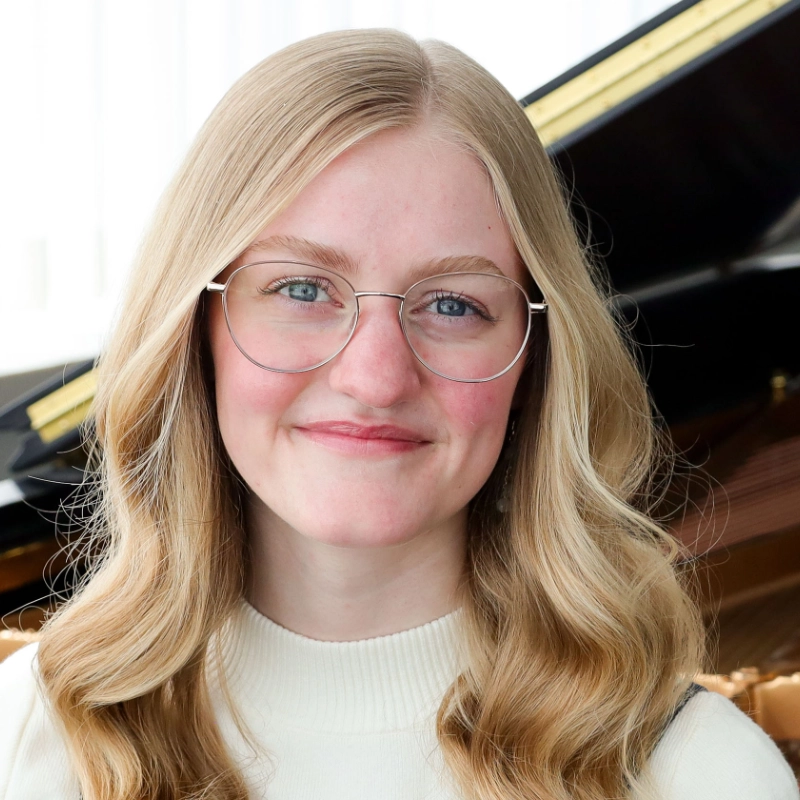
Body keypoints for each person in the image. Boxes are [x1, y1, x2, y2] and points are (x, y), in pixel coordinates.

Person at [0, 28, 796, 800]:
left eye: (453, 304)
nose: (377, 378)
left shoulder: (702, 776)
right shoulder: (24, 734)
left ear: (535, 360)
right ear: (194, 333)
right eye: (303, 289)